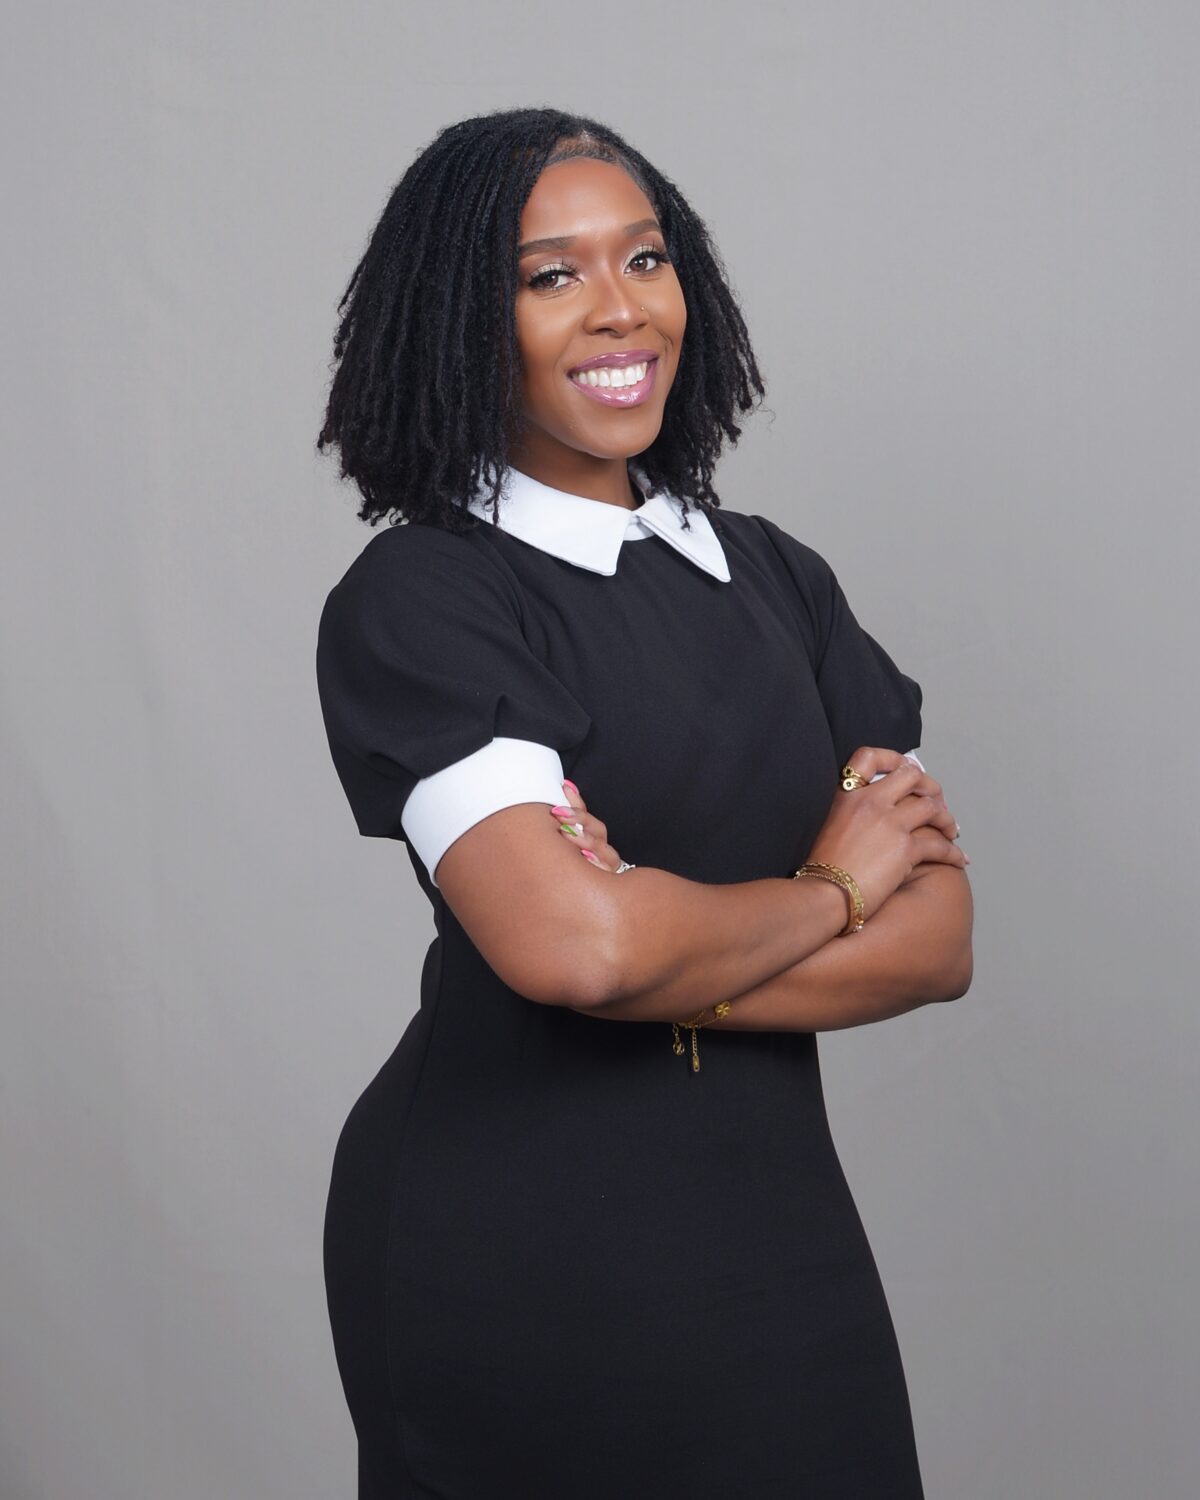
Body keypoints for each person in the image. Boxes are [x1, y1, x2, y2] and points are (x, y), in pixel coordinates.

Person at [313, 105, 973, 1499]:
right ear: (458, 321)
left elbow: (939, 944)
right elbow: (577, 949)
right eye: (549, 275)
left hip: (777, 1221)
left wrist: (652, 942)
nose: (620, 311)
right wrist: (829, 889)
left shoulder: (777, 579)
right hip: (516, 1239)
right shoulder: (429, 597)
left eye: (647, 259)